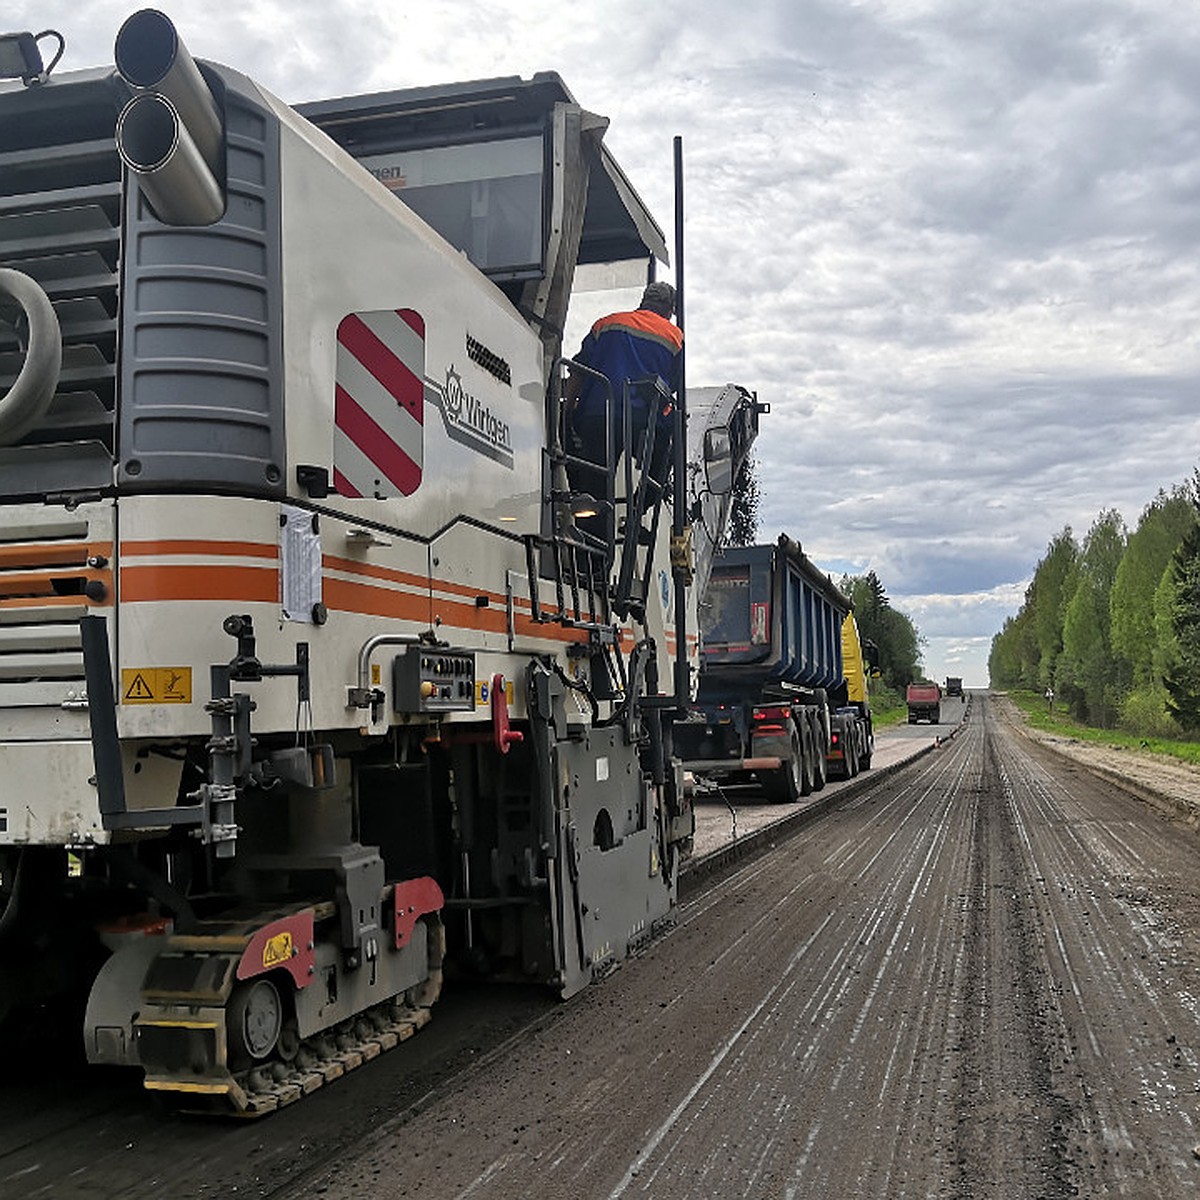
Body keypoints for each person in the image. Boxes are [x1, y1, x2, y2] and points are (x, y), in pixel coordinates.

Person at [564, 281, 683, 486]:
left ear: (644, 301)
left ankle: (590, 513)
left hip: (597, 415)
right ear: (670, 309)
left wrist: (567, 413)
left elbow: (578, 371)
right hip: (642, 421)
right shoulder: (674, 337)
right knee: (663, 458)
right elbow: (672, 386)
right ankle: (642, 504)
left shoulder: (606, 323)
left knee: (595, 486)